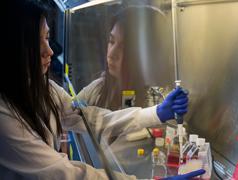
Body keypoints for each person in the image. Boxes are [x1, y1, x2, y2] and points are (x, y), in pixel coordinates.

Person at [0, 0, 204, 179]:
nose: (50, 51)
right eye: (37, 42)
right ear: (12, 47)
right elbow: (62, 173)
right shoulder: (4, 115)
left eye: (47, 38)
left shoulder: (41, 86)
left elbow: (89, 117)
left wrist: (155, 113)